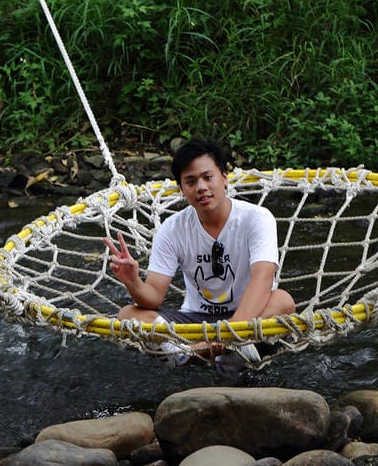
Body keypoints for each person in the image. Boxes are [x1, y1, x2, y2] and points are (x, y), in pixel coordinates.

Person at [104, 137, 295, 362]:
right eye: (191, 181)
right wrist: (133, 281)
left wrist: (229, 332)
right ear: (181, 189)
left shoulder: (257, 218)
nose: (201, 187)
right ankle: (218, 350)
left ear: (224, 177)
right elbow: (153, 298)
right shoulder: (172, 228)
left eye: (208, 177)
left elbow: (263, 280)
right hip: (196, 321)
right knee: (128, 315)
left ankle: (192, 353)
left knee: (283, 301)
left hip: (248, 315)